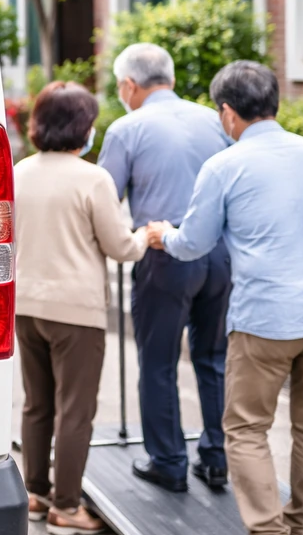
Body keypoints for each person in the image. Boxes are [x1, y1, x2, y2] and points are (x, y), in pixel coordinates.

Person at [147, 61, 303, 535]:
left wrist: (161, 235)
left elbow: (194, 242)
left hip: (267, 317)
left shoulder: (226, 164)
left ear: (227, 112)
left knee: (245, 428)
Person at [15, 82, 148, 535]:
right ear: (81, 128)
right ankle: (67, 507)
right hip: (76, 312)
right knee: (75, 410)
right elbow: (120, 246)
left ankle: (34, 493)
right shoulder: (93, 178)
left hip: (25, 306)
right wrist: (146, 237)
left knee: (37, 403)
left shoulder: (19, 172)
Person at [98, 42, 232, 493]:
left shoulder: (126, 128)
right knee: (213, 359)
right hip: (219, 253)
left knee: (158, 362)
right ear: (170, 79)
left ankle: (169, 462)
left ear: (129, 85)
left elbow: (104, 196)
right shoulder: (217, 120)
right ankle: (216, 459)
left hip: (163, 252)